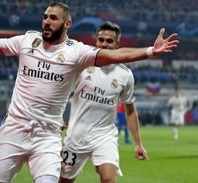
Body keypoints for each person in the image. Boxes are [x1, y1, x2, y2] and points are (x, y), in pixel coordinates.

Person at [0, 2, 177, 182]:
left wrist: (150, 51)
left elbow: (114, 55)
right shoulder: (26, 41)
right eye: (45, 17)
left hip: (48, 135)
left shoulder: (77, 52)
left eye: (53, 18)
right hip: (14, 129)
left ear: (67, 24)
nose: (46, 21)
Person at [59, 21, 149, 183]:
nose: (104, 44)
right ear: (96, 41)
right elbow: (61, 92)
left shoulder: (125, 75)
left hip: (104, 136)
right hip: (76, 136)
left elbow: (130, 110)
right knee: (64, 180)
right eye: (101, 40)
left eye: (109, 41)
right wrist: (58, 116)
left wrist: (138, 144)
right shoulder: (82, 66)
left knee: (109, 179)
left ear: (117, 44)